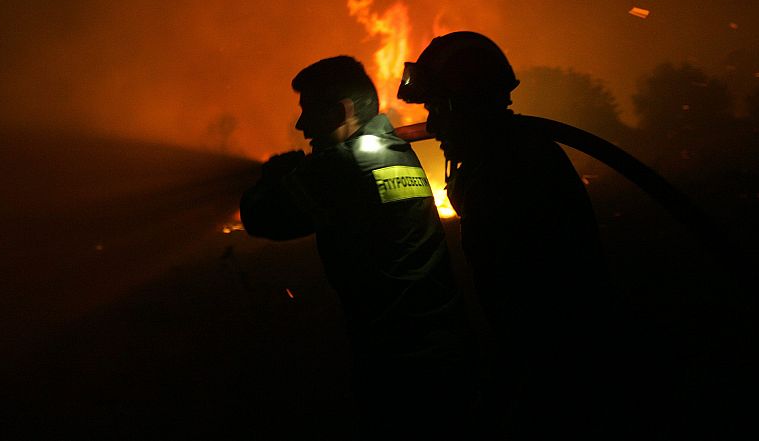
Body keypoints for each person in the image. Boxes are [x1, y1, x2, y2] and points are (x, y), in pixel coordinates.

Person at [397, 31, 648, 438]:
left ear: (467, 105)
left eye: (437, 108)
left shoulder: (510, 172)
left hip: (570, 379)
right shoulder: (509, 155)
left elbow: (535, 311)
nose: (432, 125)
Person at [239, 56, 479, 440]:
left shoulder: (341, 165)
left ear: (340, 112)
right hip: (447, 345)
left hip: (395, 367)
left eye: (308, 110)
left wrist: (273, 178)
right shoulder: (399, 153)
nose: (301, 126)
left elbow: (261, 218)